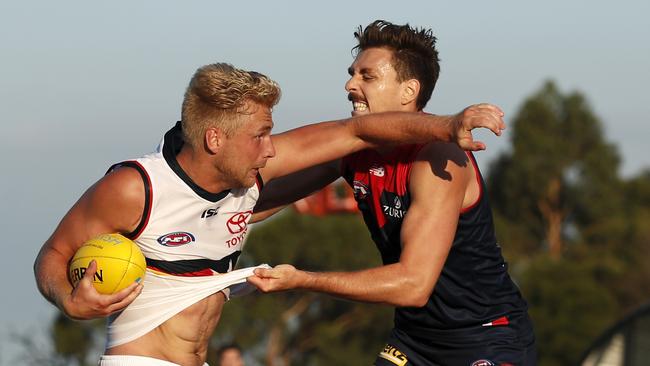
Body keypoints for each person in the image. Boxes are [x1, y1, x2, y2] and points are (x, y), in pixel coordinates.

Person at [33, 62, 505, 366]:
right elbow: (54, 254)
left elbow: (358, 132)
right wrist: (68, 299)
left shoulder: (250, 172)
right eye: (260, 134)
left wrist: (445, 125)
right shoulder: (137, 188)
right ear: (216, 139)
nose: (272, 148)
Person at [249, 20, 537, 365]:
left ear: (408, 92)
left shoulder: (437, 158)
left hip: (486, 336)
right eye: (353, 73)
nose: (350, 85)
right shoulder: (351, 152)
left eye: (367, 76)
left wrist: (303, 280)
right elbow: (256, 206)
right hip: (413, 340)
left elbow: (413, 285)